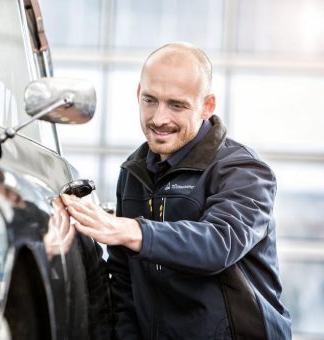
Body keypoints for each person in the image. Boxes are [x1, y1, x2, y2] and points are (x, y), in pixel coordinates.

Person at [61, 42, 291, 339]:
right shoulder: (133, 173)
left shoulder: (243, 170)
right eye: (150, 100)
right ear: (138, 94)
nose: (159, 119)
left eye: (177, 105)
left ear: (207, 106)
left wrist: (133, 230)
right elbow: (123, 282)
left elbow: (219, 244)